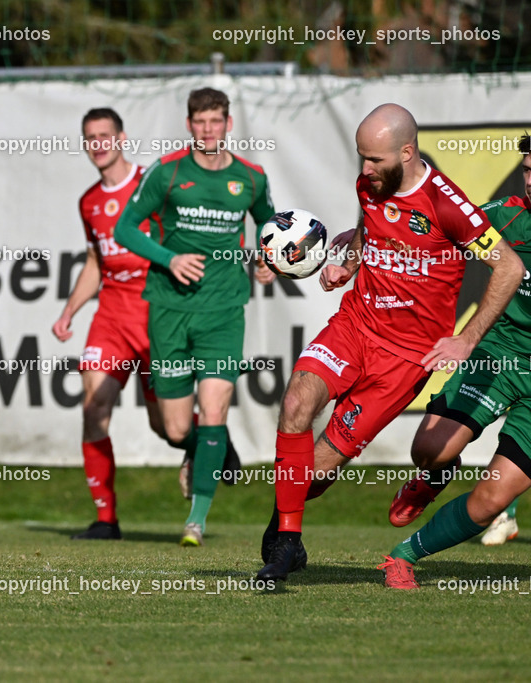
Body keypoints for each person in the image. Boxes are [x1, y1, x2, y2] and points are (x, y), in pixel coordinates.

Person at [255, 103, 522, 582]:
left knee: (320, 470)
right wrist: (350, 261)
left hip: (403, 361)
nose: (365, 170)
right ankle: (287, 543)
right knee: (296, 401)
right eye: (361, 157)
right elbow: (371, 228)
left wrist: (465, 339)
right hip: (356, 324)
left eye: (375, 159)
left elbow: (509, 267)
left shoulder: (446, 205)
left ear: (407, 151)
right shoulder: (371, 185)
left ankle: (286, 523)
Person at [113, 87, 276, 547]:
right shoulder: (167, 173)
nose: (208, 130)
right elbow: (125, 227)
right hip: (169, 309)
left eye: (216, 121)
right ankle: (206, 451)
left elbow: (269, 227)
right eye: (200, 122)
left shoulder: (251, 178)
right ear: (189, 125)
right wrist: (169, 259)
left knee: (216, 409)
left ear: (228, 124)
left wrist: (267, 260)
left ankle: (196, 520)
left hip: (224, 310)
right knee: (176, 427)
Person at [377, 135, 531, 588]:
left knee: (490, 501)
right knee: (429, 450)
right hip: (497, 356)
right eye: (527, 168)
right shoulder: (508, 213)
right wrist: (358, 242)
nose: (530, 178)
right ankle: (436, 475)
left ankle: (404, 556)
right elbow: (436, 228)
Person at [52, 107, 165, 540]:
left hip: (156, 315)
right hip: (112, 317)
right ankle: (106, 519)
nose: (98, 144)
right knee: (94, 406)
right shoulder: (89, 201)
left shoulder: (151, 184)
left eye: (105, 136)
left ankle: (208, 445)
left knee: (166, 427)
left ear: (121, 138)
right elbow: (96, 262)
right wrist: (69, 311)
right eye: (90, 138)